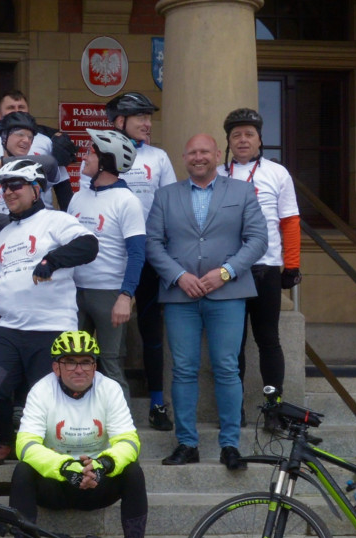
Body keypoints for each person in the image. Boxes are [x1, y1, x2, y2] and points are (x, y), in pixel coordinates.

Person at [145, 134, 267, 470]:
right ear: (184, 157)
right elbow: (153, 244)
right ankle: (187, 443)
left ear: (217, 154)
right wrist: (179, 276)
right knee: (183, 370)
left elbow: (257, 239)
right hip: (179, 294)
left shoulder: (241, 191)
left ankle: (230, 444)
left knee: (226, 368)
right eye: (192, 152)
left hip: (227, 293)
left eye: (205, 152)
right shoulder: (165, 195)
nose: (199, 157)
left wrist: (225, 272)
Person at [9, 331, 158, 538]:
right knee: (22, 471)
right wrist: (66, 468)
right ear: (56, 367)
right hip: (56, 485)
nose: (79, 369)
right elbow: (26, 445)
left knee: (133, 472)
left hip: (96, 483)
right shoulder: (41, 390)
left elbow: (129, 441)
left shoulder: (109, 389)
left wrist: (104, 465)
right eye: (70, 362)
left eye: (86, 362)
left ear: (95, 365)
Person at [0, 159, 97, 467]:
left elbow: (89, 245)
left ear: (35, 189)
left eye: (15, 186)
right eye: (4, 187)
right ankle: (6, 440)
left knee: (48, 400)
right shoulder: (3, 235)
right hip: (10, 329)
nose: (8, 193)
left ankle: (44, 454)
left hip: (52, 328)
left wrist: (51, 261)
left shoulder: (54, 220)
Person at [217, 108, 302, 415]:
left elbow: (290, 221)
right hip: (228, 273)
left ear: (259, 140)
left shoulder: (277, 173)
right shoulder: (218, 173)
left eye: (249, 134)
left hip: (265, 269)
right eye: (236, 135)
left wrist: (291, 264)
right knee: (233, 344)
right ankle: (233, 407)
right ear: (228, 141)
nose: (242, 140)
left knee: (268, 340)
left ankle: (273, 405)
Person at [102, 92, 178, 431]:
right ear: (119, 122)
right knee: (106, 337)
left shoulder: (159, 157)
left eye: (149, 117)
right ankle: (103, 404)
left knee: (151, 333)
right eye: (140, 117)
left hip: (146, 257)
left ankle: (158, 402)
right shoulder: (103, 154)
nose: (148, 123)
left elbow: (171, 208)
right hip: (107, 259)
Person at [68, 128, 146, 398]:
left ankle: (122, 433)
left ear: (106, 161)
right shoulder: (78, 196)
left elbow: (137, 253)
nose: (84, 157)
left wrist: (126, 295)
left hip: (109, 293)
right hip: (74, 291)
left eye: (91, 152)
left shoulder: (127, 201)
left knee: (111, 363)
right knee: (70, 361)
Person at [0, 112, 69, 213]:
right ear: (4, 137)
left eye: (30, 137)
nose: (26, 140)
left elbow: (51, 163)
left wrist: (4, 163)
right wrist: (19, 222)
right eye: (20, 135)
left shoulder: (37, 170)